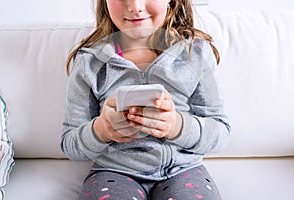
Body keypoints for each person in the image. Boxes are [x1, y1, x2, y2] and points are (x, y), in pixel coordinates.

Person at [61, 0, 231, 199]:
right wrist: (102, 130)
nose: (135, 6)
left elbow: (220, 131)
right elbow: (70, 145)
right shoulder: (89, 62)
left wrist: (177, 126)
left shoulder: (195, 53)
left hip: (183, 170)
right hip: (114, 172)